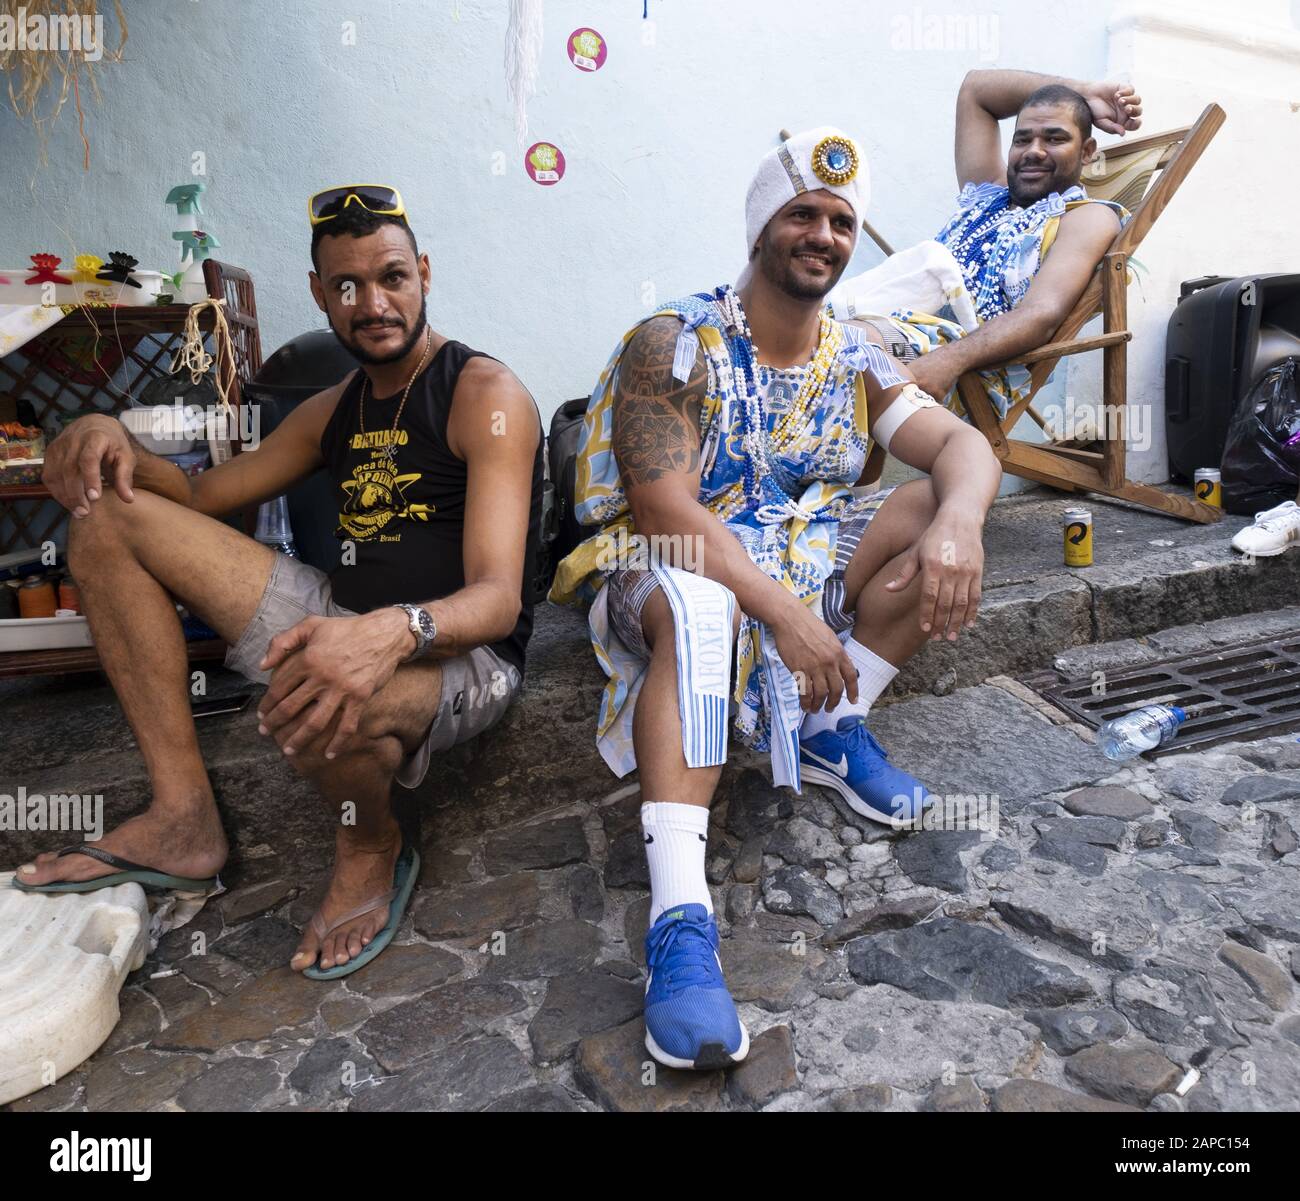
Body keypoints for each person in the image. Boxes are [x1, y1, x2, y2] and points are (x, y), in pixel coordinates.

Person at [549, 129, 1002, 1069]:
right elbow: (666, 510)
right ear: (762, 225)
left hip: (797, 570)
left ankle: (837, 721)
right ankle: (680, 921)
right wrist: (787, 616)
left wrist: (961, 521)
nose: (825, 235)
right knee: (710, 609)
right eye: (803, 213)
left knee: (934, 509)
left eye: (842, 221)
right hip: (664, 568)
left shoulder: (857, 357)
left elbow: (966, 450)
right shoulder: (677, 342)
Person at [17, 186, 544, 981]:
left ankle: (371, 842)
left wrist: (388, 634)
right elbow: (196, 497)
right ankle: (185, 821)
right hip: (343, 613)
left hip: (463, 656)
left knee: (330, 687)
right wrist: (106, 432)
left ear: (425, 275)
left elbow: (499, 598)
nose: (372, 303)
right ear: (318, 293)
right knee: (106, 518)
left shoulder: (484, 396)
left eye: (392, 277)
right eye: (347, 286)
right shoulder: (333, 407)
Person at [831, 69, 1143, 478]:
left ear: (1087, 152)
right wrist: (1082, 91)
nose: (1033, 150)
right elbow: (976, 89)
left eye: (1054, 138)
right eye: (1023, 138)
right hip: (900, 325)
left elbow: (1041, 314)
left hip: (965, 359)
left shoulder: (1087, 217)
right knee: (794, 340)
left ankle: (852, 498)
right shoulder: (986, 192)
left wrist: (948, 360)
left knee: (847, 346)